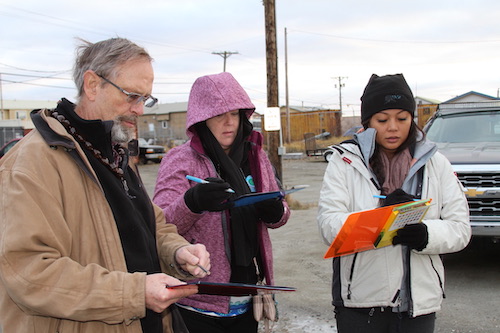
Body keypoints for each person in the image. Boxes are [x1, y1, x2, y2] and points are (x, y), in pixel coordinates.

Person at [0, 37, 211, 333]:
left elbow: (150, 225)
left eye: (146, 99)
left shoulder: (115, 151)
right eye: (131, 96)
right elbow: (29, 272)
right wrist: (135, 293)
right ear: (92, 85)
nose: (139, 110)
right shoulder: (31, 163)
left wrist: (177, 251)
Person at [317, 73, 471, 333]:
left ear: (412, 119)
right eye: (382, 119)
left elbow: (460, 228)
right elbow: (328, 225)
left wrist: (425, 234)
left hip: (419, 304)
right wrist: (381, 218)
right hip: (361, 301)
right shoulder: (344, 163)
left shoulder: (437, 163)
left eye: (402, 118)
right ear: (367, 123)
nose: (392, 127)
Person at [153, 72, 290, 333]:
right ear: (202, 119)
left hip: (248, 297)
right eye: (218, 115)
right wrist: (192, 202)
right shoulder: (180, 159)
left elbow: (282, 215)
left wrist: (276, 211)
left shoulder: (255, 157)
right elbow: (160, 224)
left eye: (235, 113)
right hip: (197, 301)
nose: (229, 123)